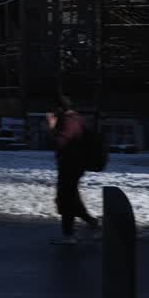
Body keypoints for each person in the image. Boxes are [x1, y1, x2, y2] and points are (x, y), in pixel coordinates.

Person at [46, 95, 99, 244]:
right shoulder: (76, 119)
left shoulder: (68, 121)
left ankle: (69, 235)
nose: (52, 111)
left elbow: (59, 143)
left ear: (60, 108)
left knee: (65, 200)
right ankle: (91, 221)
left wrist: (51, 126)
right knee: (72, 198)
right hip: (74, 165)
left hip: (70, 166)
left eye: (54, 108)